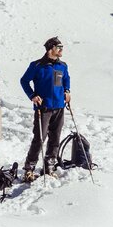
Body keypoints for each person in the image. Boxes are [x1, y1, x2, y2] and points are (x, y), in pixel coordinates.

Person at [20, 36, 71, 181]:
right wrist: (32, 95)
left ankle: (49, 166)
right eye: (58, 47)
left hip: (59, 107)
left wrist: (67, 91)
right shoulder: (37, 66)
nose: (61, 50)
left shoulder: (62, 66)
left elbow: (66, 79)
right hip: (43, 108)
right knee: (39, 138)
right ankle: (29, 169)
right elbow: (24, 81)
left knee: (55, 138)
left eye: (62, 47)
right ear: (50, 49)